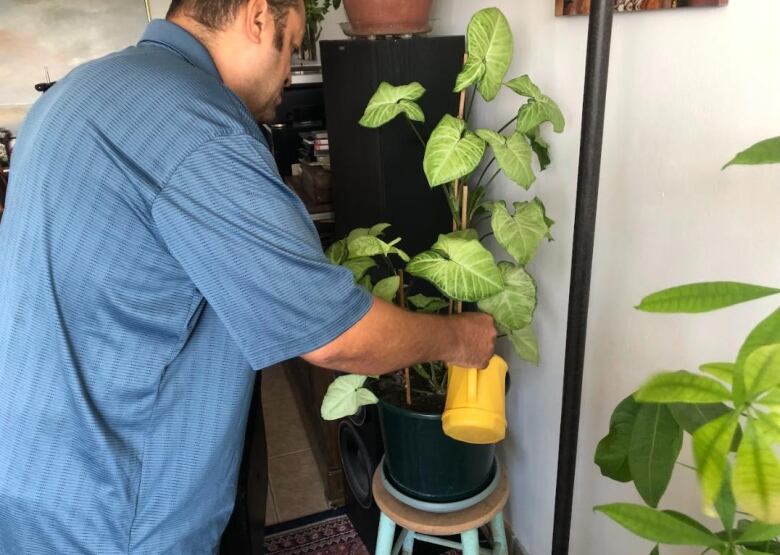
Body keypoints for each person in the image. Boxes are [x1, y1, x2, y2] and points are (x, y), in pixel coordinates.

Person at [0, 0, 496, 553]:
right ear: (257, 18)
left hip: (31, 465)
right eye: (291, 45)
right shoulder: (199, 127)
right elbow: (336, 337)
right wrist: (461, 338)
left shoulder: (76, 91)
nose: (289, 71)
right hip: (115, 510)